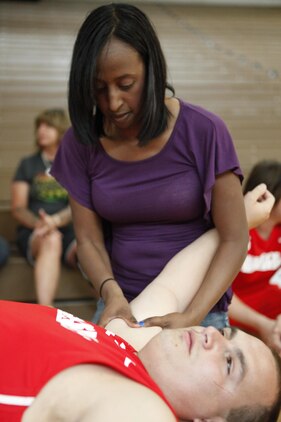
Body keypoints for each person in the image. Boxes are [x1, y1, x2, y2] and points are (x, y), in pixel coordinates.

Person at [1, 186, 280, 422]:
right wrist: (240, 221)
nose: (211, 335)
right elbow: (173, 284)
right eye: (223, 333)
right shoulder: (131, 344)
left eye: (229, 362)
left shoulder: (143, 409)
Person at [51, 3, 249, 329]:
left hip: (198, 310)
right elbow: (88, 240)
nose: (112, 102)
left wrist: (191, 316)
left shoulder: (204, 131)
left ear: (152, 70)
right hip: (122, 307)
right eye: (99, 89)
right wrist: (111, 293)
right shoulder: (80, 143)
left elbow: (234, 239)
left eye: (126, 84)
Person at [11, 109, 77, 306]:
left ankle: (111, 309)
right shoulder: (28, 164)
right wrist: (41, 224)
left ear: (61, 129)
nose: (41, 130)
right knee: (51, 239)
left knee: (91, 249)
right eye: (39, 126)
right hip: (36, 231)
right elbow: (18, 208)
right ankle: (46, 312)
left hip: (69, 229)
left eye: (48, 126)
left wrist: (56, 221)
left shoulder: (73, 164)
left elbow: (80, 204)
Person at [229, 160, 281, 354]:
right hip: (235, 318)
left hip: (271, 318)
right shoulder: (236, 230)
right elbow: (218, 294)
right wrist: (263, 325)